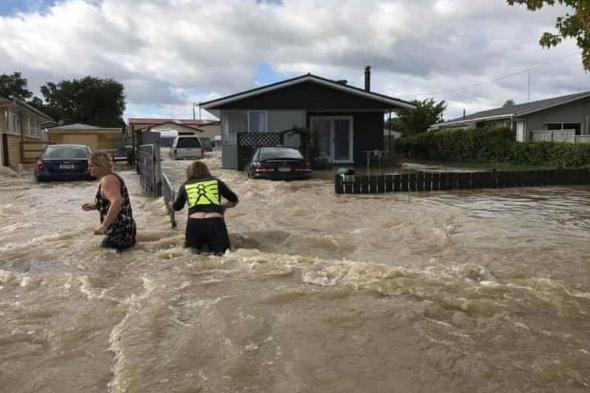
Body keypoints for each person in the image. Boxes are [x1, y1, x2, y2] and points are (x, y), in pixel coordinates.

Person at [171, 161, 238, 255]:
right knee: (223, 255)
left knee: (191, 255)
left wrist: (171, 204)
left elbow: (177, 207)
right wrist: (223, 207)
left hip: (194, 223)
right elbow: (234, 199)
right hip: (215, 221)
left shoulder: (186, 185)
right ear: (207, 170)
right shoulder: (216, 181)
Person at [82, 151, 137, 251]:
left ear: (101, 166)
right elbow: (113, 201)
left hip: (118, 230)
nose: (89, 168)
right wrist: (95, 205)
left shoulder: (108, 180)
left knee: (107, 262)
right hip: (126, 228)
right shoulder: (113, 177)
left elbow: (117, 201)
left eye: (91, 166)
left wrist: (104, 226)